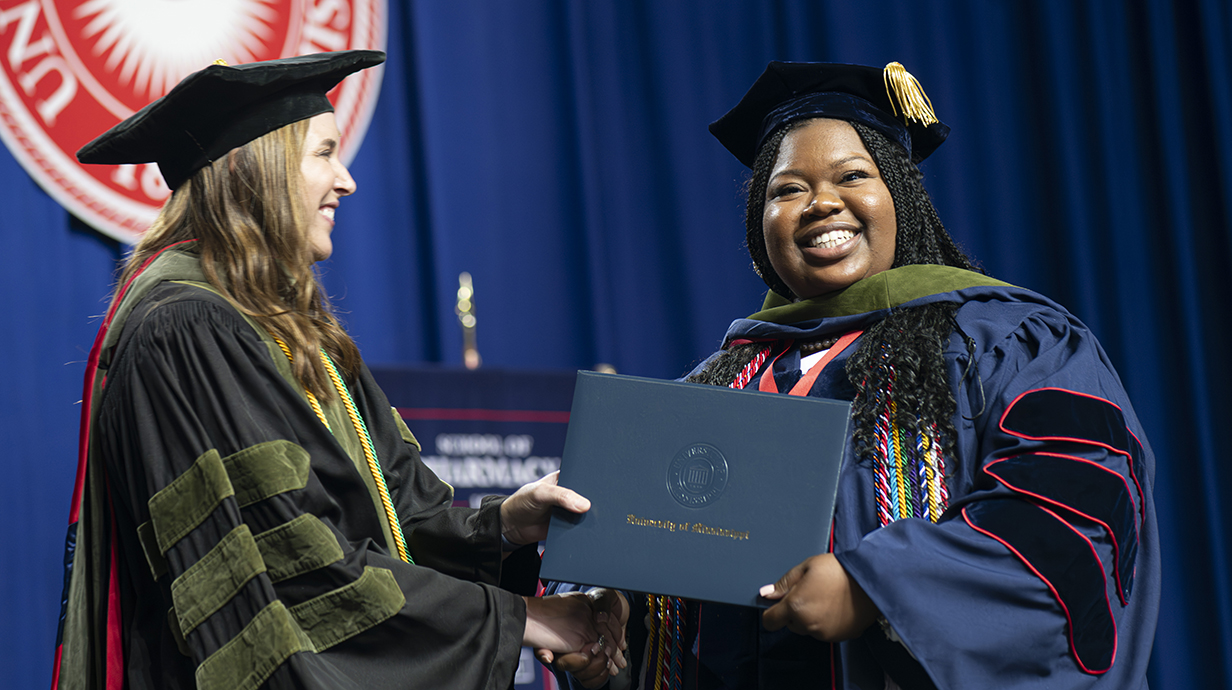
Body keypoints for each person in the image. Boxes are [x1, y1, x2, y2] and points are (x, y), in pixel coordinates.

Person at [547, 61, 1158, 689]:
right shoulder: (714, 384)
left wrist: (877, 587)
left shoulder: (1010, 343)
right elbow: (658, 573)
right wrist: (609, 616)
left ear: (901, 196)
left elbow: (1077, 509)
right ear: (761, 223)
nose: (820, 204)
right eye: (787, 190)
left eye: (853, 176)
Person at [53, 51, 625, 690]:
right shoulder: (187, 327)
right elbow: (292, 565)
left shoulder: (286, 326)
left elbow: (391, 513)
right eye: (323, 153)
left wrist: (507, 523)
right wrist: (520, 617)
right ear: (255, 170)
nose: (347, 179)